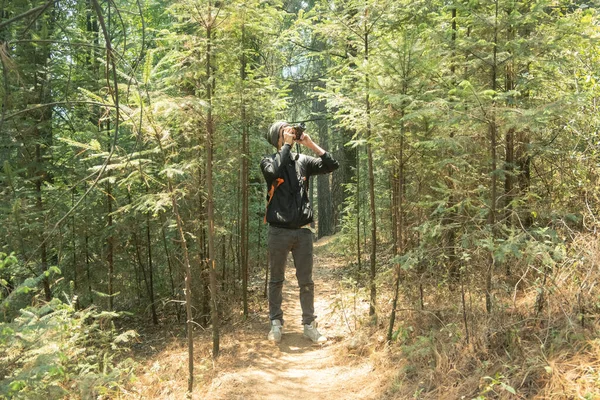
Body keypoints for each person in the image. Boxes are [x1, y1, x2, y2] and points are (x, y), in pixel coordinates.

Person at [260, 121, 339, 344]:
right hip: (278, 232)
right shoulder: (268, 160)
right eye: (285, 131)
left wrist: (311, 144)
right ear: (277, 136)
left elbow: (332, 165)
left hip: (303, 232)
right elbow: (273, 171)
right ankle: (276, 324)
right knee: (276, 280)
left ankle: (309, 325)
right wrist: (285, 146)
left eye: (291, 131)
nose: (291, 133)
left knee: (306, 281)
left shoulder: (302, 161)